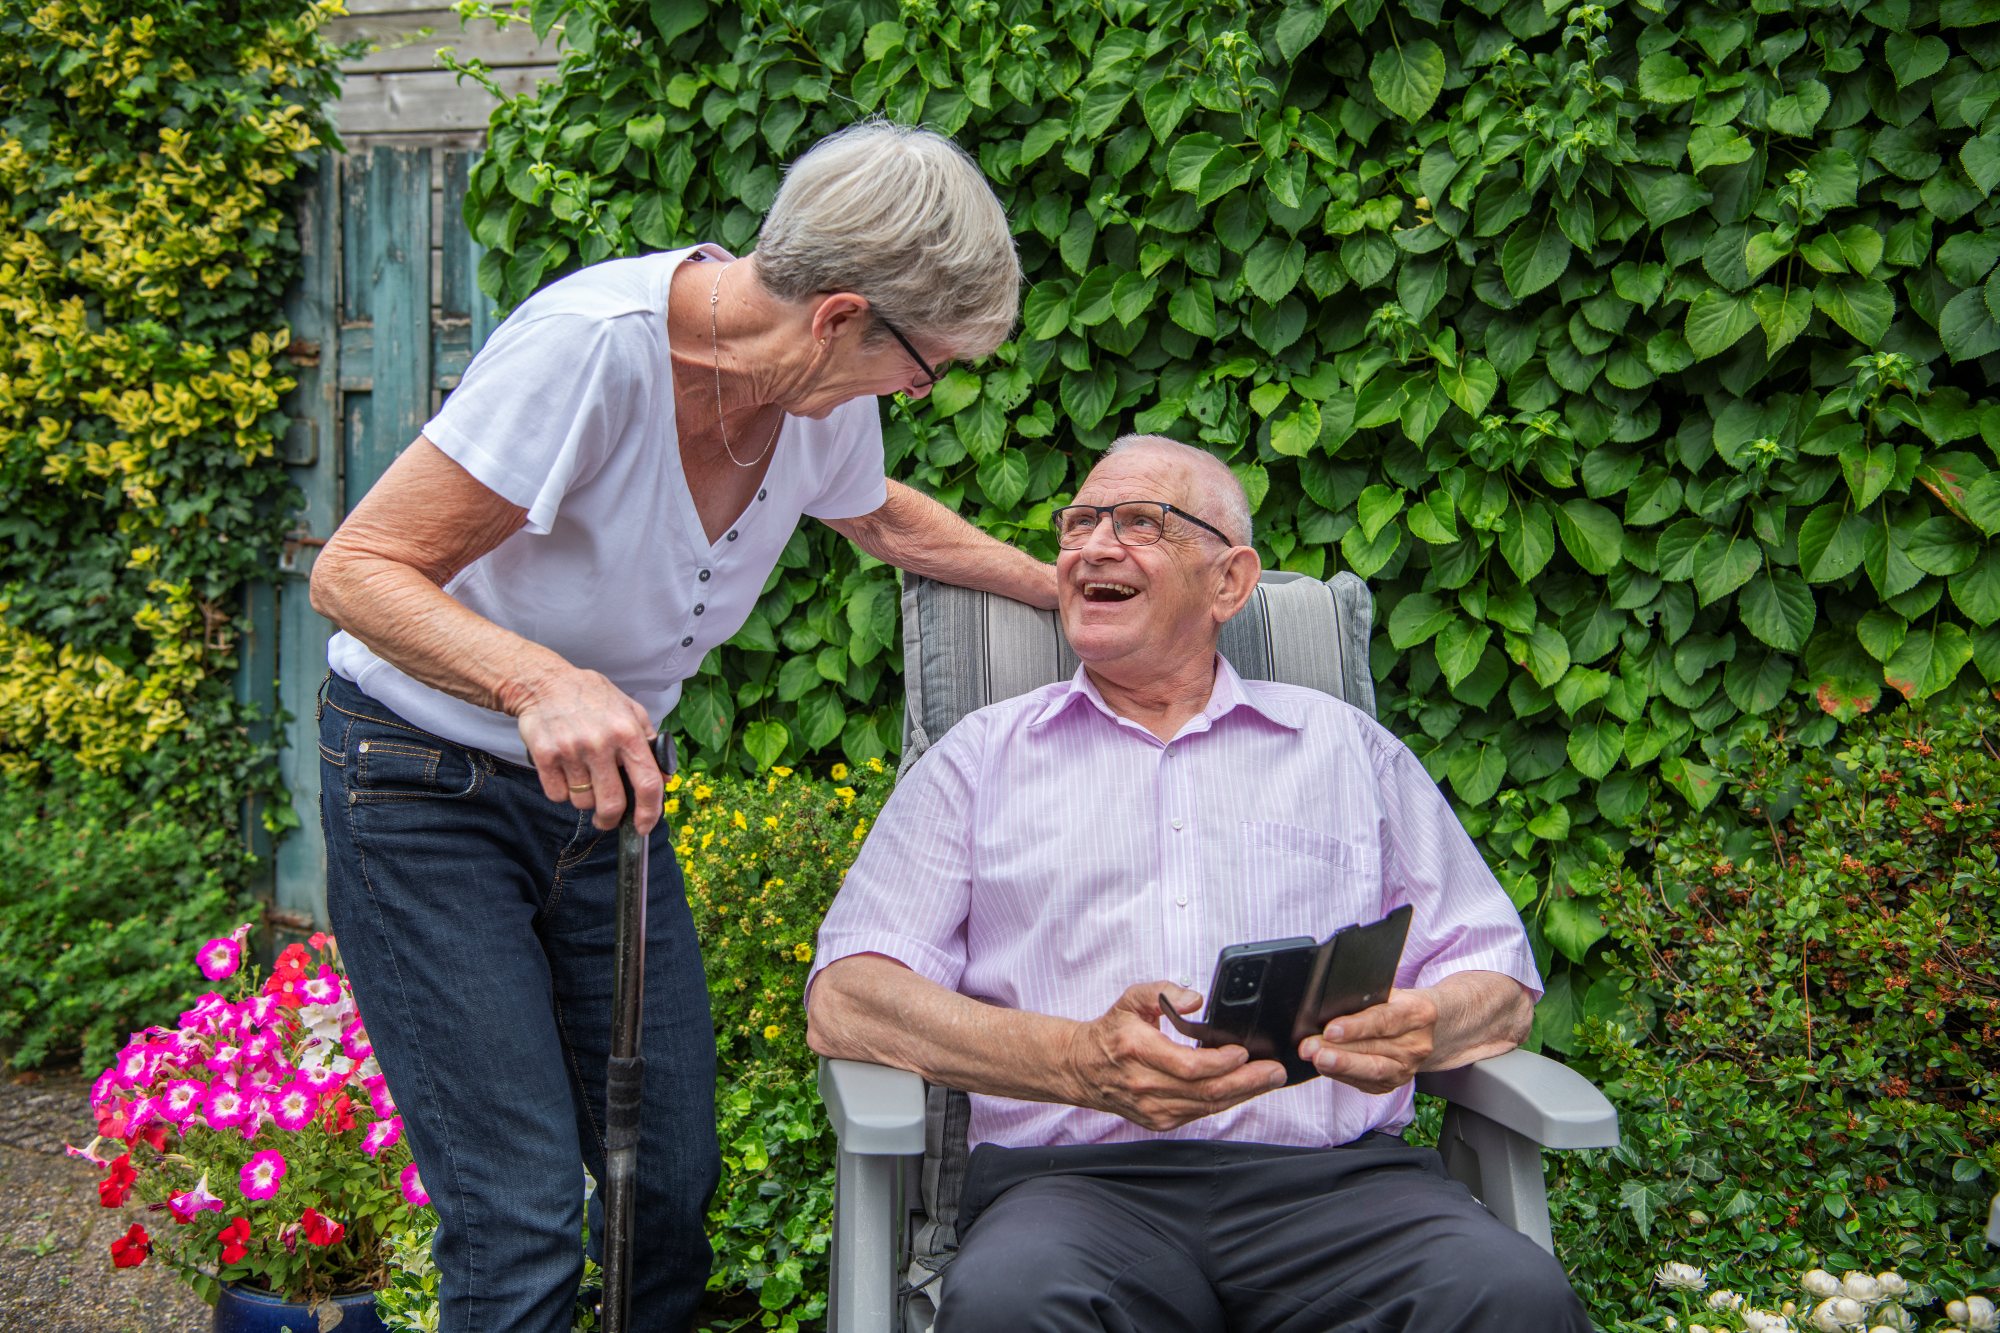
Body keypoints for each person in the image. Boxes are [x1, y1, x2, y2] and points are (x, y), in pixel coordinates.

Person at [308, 121, 1054, 1333]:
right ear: (838, 316)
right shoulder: (590, 351)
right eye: (924, 366)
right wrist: (534, 678)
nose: (923, 392)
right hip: (422, 784)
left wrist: (1051, 586)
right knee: (520, 1213)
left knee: (665, 1179)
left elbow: (884, 520)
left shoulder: (813, 401)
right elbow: (357, 569)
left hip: (604, 797)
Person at [805, 435, 1591, 1332]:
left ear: (1230, 581)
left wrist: (1428, 1023)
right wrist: (1075, 1061)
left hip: (1338, 1191)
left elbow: (1499, 979)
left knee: (1511, 1297)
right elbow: (851, 998)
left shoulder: (1346, 748)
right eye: (1080, 523)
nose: (1094, 546)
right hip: (1074, 1197)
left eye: (1141, 522)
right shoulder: (978, 760)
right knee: (1013, 1307)